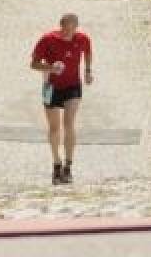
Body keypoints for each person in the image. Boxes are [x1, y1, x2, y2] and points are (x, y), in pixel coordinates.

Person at [30, 13, 93, 185]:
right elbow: (33, 64)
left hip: (73, 86)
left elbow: (87, 53)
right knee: (54, 127)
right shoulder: (47, 39)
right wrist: (50, 67)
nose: (69, 33)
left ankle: (68, 166)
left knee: (69, 123)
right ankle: (56, 162)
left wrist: (87, 71)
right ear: (61, 26)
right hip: (50, 87)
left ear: (77, 27)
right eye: (66, 29)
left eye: (73, 29)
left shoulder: (83, 39)